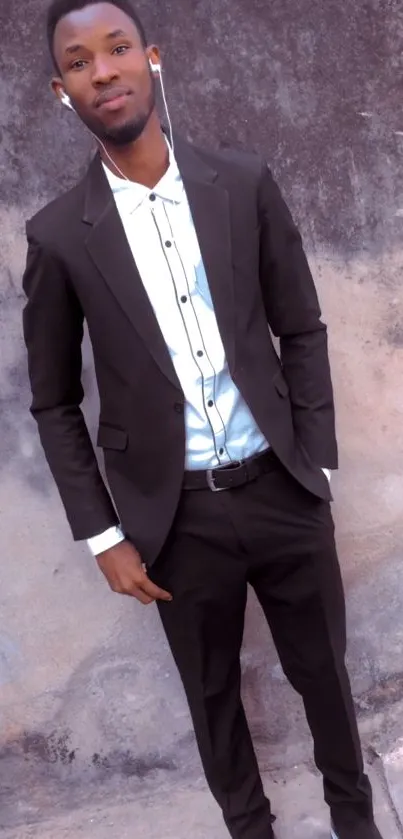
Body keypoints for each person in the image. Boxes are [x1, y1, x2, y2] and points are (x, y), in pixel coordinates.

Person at [22, 2, 383, 838]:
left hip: (281, 488)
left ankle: (353, 818)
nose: (102, 71)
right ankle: (248, 828)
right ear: (60, 89)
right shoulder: (61, 238)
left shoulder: (242, 184)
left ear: (152, 58)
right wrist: (103, 537)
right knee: (212, 692)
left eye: (116, 50)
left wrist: (315, 464)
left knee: (322, 675)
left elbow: (300, 327)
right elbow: (53, 401)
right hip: (173, 518)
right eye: (80, 62)